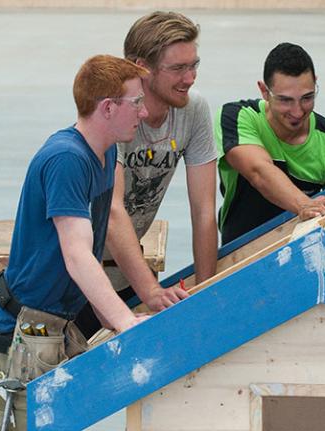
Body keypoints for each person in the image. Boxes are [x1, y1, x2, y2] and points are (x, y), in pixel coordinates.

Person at [0, 55, 150, 430]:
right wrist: (124, 322)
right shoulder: (67, 159)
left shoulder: (104, 156)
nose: (144, 111)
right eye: (136, 102)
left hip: (56, 323)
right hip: (19, 330)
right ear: (108, 107)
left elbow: (91, 248)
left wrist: (114, 317)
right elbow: (76, 255)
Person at [74, 11, 218, 337]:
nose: (190, 77)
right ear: (141, 67)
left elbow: (205, 211)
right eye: (178, 68)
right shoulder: (115, 116)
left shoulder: (193, 110)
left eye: (194, 65)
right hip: (81, 280)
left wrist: (206, 294)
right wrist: (151, 292)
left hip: (127, 275)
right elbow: (113, 213)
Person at [215, 42, 325, 244]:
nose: (297, 112)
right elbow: (258, 172)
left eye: (307, 97)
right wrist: (305, 204)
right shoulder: (238, 116)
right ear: (264, 91)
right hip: (238, 251)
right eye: (285, 100)